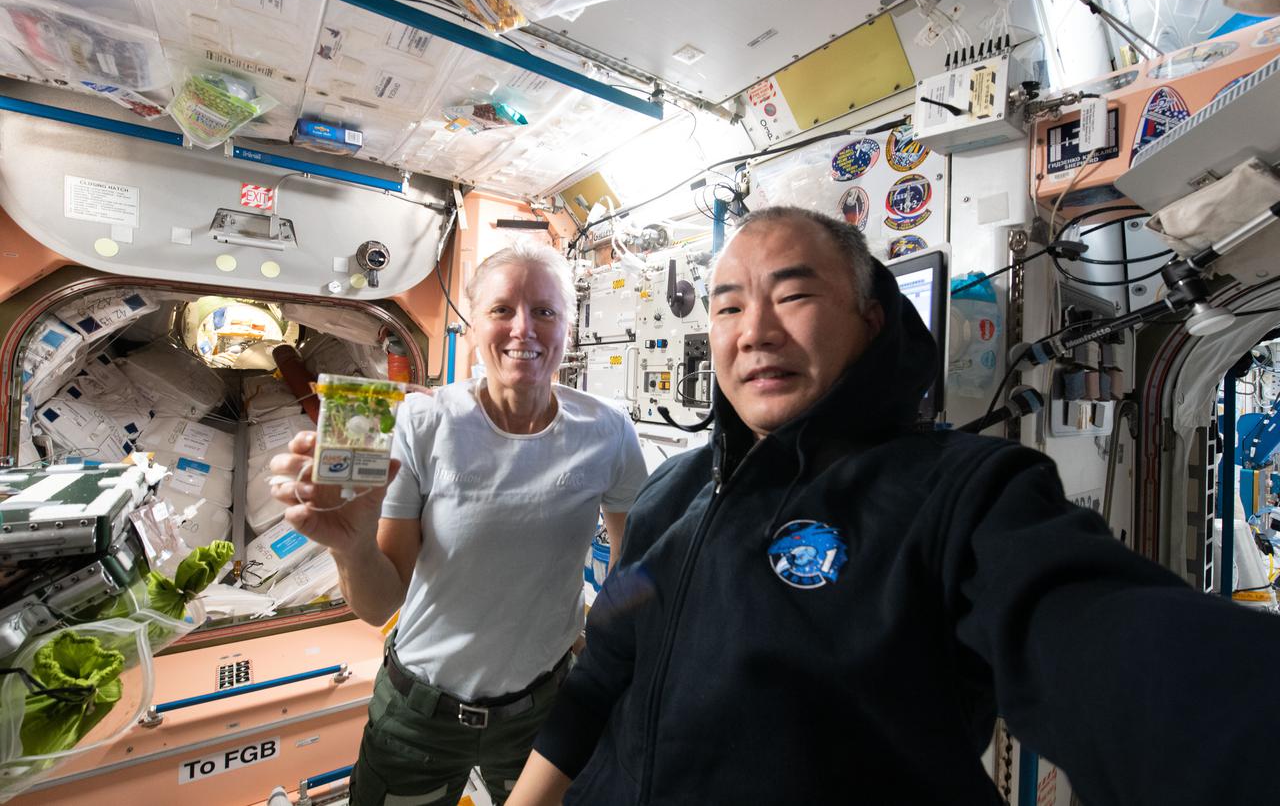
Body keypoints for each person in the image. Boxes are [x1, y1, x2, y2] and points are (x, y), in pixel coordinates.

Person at [508, 206, 1280, 805]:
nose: (756, 332)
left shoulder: (960, 494)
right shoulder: (671, 492)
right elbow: (601, 676)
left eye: (795, 294)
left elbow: (1100, 642)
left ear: (870, 318)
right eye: (728, 308)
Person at [270, 240, 648, 806]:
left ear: (569, 326)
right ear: (473, 325)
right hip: (418, 713)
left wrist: (601, 664)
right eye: (501, 310)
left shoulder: (608, 431)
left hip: (543, 710)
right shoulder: (422, 421)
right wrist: (349, 547)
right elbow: (379, 603)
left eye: (545, 311)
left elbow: (633, 567)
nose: (524, 329)